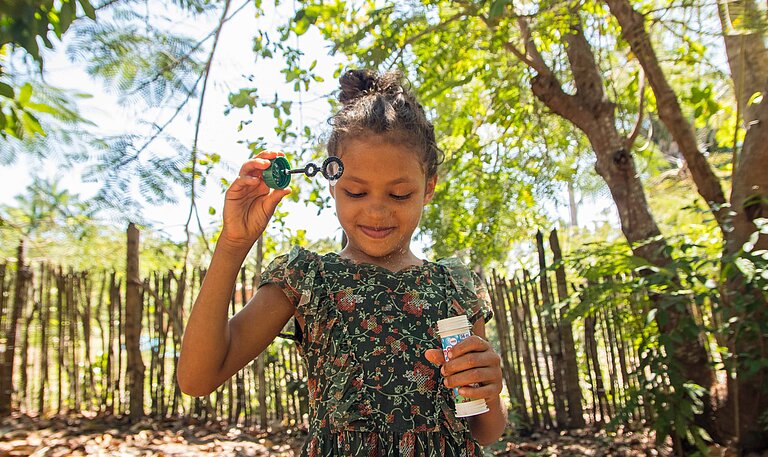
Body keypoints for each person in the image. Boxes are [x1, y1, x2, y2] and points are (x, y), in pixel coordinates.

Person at [177, 69, 507, 456]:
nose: (377, 210)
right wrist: (233, 244)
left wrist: (489, 386)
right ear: (333, 183)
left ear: (428, 187)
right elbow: (197, 378)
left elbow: (485, 430)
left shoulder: (454, 286)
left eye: (400, 194)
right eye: (356, 191)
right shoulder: (308, 280)